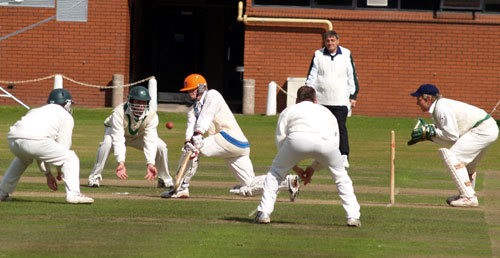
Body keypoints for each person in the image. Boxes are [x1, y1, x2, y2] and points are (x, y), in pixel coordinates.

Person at [161, 74, 300, 199]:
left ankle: (180, 188)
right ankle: (288, 182)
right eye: (188, 91)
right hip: (237, 147)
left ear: (201, 88)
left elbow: (206, 116)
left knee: (192, 150)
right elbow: (191, 126)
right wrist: (188, 139)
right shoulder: (193, 109)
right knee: (249, 184)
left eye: (192, 90)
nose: (190, 94)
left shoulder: (212, 95)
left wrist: (197, 135)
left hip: (229, 137)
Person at [254, 86, 361, 227]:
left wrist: (294, 167)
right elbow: (335, 141)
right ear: (315, 100)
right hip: (326, 142)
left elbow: (280, 139)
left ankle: (264, 213)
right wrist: (313, 167)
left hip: (297, 139)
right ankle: (353, 217)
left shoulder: (289, 111)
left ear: (297, 100)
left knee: (274, 173)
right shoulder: (326, 112)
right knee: (341, 177)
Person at [408, 84, 498, 207]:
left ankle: (468, 197)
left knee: (453, 156)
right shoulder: (438, 108)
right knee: (467, 165)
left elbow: (451, 135)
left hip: (482, 129)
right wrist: (429, 136)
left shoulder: (441, 108)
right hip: (484, 129)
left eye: (418, 99)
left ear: (428, 99)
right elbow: (450, 138)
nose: (417, 103)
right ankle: (466, 193)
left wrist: (431, 131)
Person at [0, 88, 94, 204]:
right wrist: (59, 171)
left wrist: (48, 174)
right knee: (71, 157)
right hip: (35, 140)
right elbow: (63, 146)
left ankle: (2, 192)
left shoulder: (37, 110)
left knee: (23, 159)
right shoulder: (66, 116)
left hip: (13, 139)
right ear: (67, 104)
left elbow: (39, 152)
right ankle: (73, 194)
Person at [87, 86, 172, 188]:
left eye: (143, 102)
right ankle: (94, 177)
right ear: (130, 101)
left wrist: (150, 163)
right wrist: (121, 162)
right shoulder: (118, 112)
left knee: (160, 146)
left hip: (138, 136)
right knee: (107, 143)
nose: (140, 106)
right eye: (138, 102)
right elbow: (118, 138)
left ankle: (164, 179)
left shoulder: (152, 116)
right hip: (116, 132)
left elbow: (150, 140)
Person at [305, 30, 360, 168]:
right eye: (328, 41)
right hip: (322, 100)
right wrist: (308, 97)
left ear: (338, 41)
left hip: (341, 100)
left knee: (340, 127)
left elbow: (352, 76)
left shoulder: (346, 54)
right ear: (324, 42)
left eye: (333, 40)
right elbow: (311, 77)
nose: (330, 43)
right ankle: (322, 156)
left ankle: (343, 156)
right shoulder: (318, 55)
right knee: (321, 128)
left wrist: (353, 95)